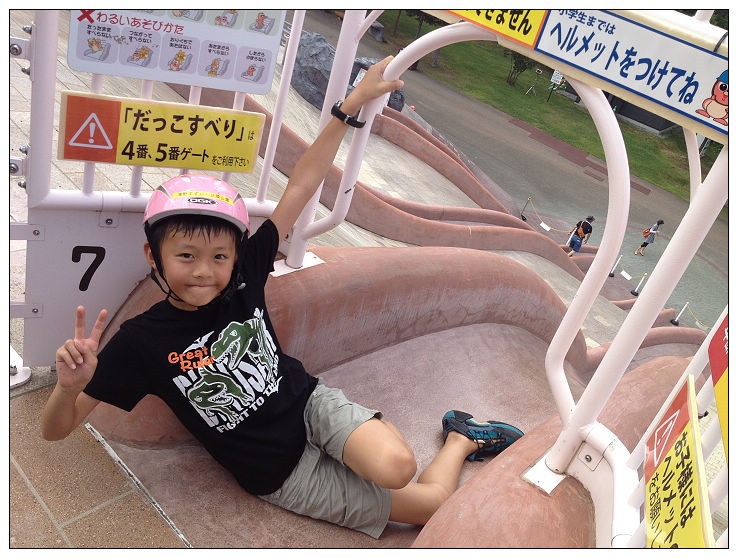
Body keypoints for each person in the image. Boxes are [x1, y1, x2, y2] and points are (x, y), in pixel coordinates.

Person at [41, 56, 524, 539]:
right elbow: (55, 430)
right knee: (431, 505)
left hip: (309, 406)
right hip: (281, 474)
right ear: (155, 256)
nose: (204, 271)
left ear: (235, 255)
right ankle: (461, 438)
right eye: (186, 256)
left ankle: (364, 450)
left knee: (398, 467)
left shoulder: (245, 272)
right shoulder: (140, 341)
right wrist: (67, 388)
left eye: (218, 256)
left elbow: (302, 185)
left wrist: (350, 106)